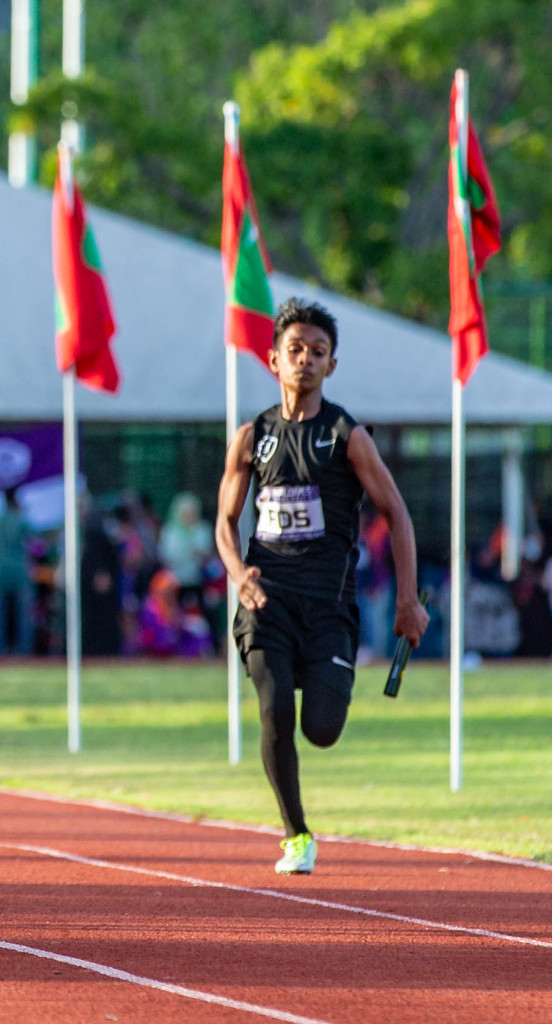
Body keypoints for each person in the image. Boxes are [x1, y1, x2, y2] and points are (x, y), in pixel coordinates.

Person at [215, 298, 429, 875]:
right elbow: (224, 522)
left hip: (330, 604)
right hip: (267, 600)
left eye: (317, 352)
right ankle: (296, 836)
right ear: (273, 360)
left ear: (331, 365)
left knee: (322, 730)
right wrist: (240, 577)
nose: (305, 360)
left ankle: (321, 675)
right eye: (295, 351)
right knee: (275, 708)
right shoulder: (251, 437)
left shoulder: (345, 436)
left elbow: (397, 513)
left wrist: (407, 600)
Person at [0, 489, 38, 656]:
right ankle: (25, 651)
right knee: (23, 617)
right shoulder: (21, 521)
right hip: (20, 573)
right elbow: (37, 546)